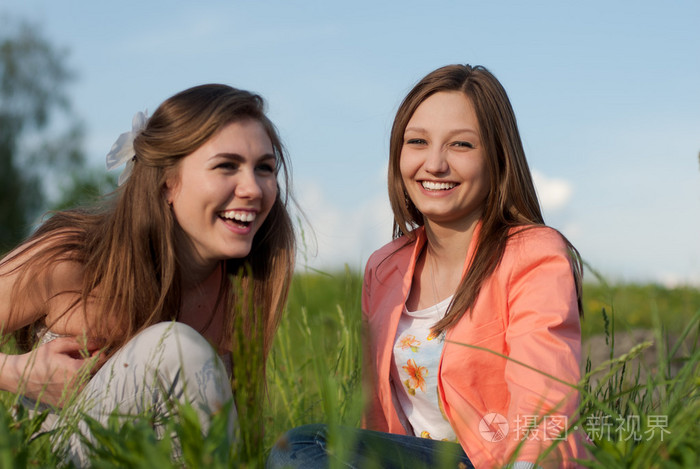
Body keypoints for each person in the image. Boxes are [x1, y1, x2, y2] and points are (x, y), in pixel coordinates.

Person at [268, 65, 586, 468]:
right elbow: (378, 417)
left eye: (461, 146)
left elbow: (543, 403)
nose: (434, 164)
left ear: (498, 157)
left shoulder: (533, 254)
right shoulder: (385, 267)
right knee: (298, 446)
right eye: (417, 141)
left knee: (300, 445)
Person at [0, 84, 295, 465]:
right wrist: (14, 372)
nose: (253, 188)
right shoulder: (72, 259)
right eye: (227, 165)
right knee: (174, 348)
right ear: (167, 181)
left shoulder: (243, 286)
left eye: (265, 168)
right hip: (51, 455)